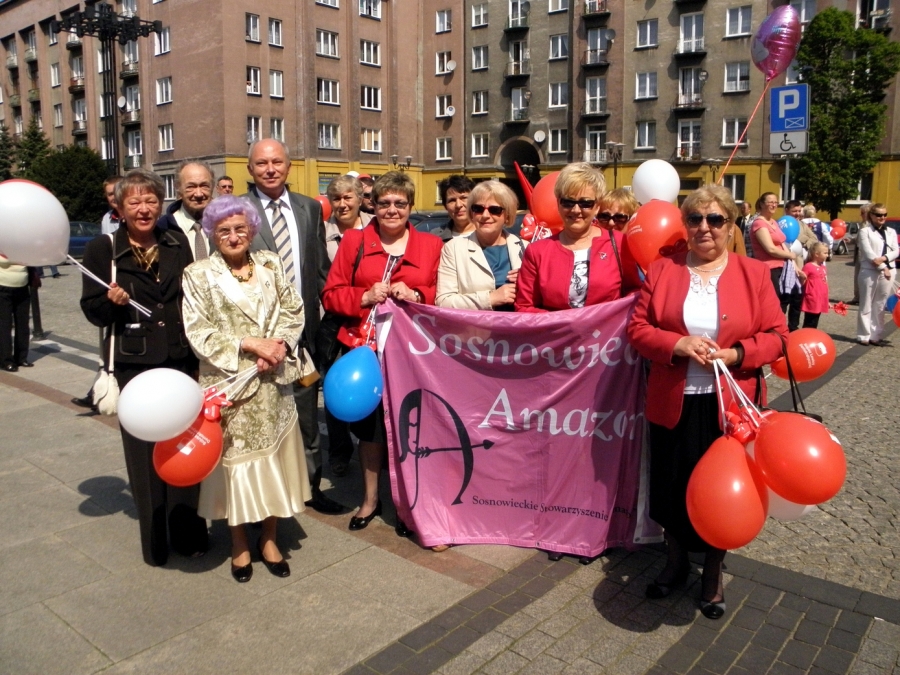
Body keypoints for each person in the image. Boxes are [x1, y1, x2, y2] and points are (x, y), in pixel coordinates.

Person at [627, 185, 787, 620]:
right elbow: (638, 329)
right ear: (685, 224)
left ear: (731, 226)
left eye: (715, 219)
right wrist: (677, 344)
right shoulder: (663, 270)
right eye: (695, 219)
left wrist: (737, 354)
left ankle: (713, 572)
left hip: (729, 408)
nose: (704, 228)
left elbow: (779, 337)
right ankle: (675, 561)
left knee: (722, 493)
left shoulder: (753, 274)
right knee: (672, 487)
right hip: (673, 401)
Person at [80, 169, 207, 567]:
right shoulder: (104, 249)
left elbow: (193, 296)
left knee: (185, 448)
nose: (144, 208)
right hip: (135, 367)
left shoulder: (175, 241)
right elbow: (92, 310)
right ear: (118, 208)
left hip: (180, 361)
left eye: (151, 200)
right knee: (143, 456)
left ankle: (188, 533)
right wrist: (110, 302)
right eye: (133, 201)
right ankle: (155, 542)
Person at [182, 195, 312, 582]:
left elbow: (294, 309)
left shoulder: (270, 263)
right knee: (234, 469)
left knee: (274, 463)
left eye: (240, 228)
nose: (233, 236)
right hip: (230, 387)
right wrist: (251, 344)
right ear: (212, 234)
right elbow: (198, 332)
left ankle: (269, 538)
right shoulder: (198, 274)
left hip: (273, 382)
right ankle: (238, 543)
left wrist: (280, 346)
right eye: (223, 230)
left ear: (252, 230)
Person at [321, 171, 442, 536]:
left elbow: (440, 293)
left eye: (400, 203)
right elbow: (331, 294)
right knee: (371, 432)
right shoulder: (354, 240)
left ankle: (409, 503)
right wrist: (363, 296)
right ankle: (371, 499)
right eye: (384, 202)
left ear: (410, 206)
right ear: (372, 205)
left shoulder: (431, 245)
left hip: (411, 354)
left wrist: (417, 294)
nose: (392, 210)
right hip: (364, 352)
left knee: (411, 427)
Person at [244, 139, 343, 514]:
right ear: (251, 169)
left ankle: (310, 488)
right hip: (259, 340)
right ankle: (264, 495)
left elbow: (319, 270)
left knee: (306, 419)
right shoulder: (239, 209)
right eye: (261, 163)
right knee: (261, 420)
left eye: (277, 162)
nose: (270, 169)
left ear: (288, 166)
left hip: (303, 341)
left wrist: (333, 319)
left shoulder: (309, 208)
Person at [515, 162, 640, 313]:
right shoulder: (537, 252)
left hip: (607, 328)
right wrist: (563, 321)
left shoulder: (620, 244)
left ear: (597, 206)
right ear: (558, 203)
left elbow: (634, 293)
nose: (575, 210)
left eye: (585, 203)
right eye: (568, 202)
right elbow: (524, 307)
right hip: (555, 328)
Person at [322, 174, 373, 478]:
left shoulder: (375, 227)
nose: (342, 204)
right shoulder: (320, 233)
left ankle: (375, 449)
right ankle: (340, 451)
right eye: (336, 198)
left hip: (369, 319)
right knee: (335, 384)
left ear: (359, 199)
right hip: (332, 319)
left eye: (348, 197)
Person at [436, 180, 526, 311]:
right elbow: (443, 301)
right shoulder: (453, 248)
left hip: (518, 323)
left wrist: (527, 283)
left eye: (494, 210)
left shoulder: (526, 248)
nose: (485, 215)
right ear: (471, 213)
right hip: (475, 324)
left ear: (507, 215)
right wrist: (490, 298)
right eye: (478, 209)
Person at [75, 175, 123, 409]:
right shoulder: (107, 218)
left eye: (116, 192)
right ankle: (100, 390)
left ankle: (99, 391)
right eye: (109, 194)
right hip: (109, 289)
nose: (113, 197)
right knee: (108, 343)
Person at [749, 193, 803, 330]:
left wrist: (795, 266)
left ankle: (791, 329)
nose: (774, 205)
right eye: (770, 202)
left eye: (776, 202)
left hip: (784, 266)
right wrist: (791, 254)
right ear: (762, 204)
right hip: (770, 268)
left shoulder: (773, 222)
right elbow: (770, 249)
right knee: (777, 302)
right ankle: (773, 329)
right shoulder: (759, 223)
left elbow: (783, 243)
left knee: (796, 295)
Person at [856, 203, 898, 346]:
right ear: (872, 215)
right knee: (866, 302)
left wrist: (885, 259)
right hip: (869, 270)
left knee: (880, 303)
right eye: (879, 215)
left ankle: (876, 334)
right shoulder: (865, 231)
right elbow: (868, 252)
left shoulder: (891, 231)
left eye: (884, 215)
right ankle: (863, 334)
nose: (882, 217)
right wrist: (882, 266)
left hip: (889, 269)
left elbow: (896, 250)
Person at [157, 160, 215, 261]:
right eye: (191, 187)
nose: (198, 194)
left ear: (212, 187)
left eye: (204, 186)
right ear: (178, 188)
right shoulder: (163, 229)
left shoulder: (224, 224)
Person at [0, 258, 32, 371]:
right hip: (2, 286)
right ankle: (6, 360)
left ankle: (21, 357)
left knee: (23, 323)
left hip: (22, 286)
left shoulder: (22, 248)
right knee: (4, 324)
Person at [433, 175, 476, 242]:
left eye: (464, 198)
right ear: (445, 206)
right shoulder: (435, 237)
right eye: (452, 200)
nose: (458, 205)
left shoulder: (488, 234)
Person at [801, 242, 830, 329]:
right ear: (817, 254)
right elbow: (802, 282)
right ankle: (806, 335)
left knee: (815, 320)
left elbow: (825, 282)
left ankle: (812, 333)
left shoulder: (823, 267)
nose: (827, 255)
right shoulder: (808, 266)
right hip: (813, 298)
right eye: (825, 253)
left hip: (820, 297)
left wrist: (827, 300)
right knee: (810, 321)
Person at [850, 203, 870, 305]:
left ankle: (864, 298)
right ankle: (857, 297)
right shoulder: (862, 224)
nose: (861, 215)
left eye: (863, 213)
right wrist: (851, 240)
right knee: (857, 276)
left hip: (867, 255)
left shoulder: (871, 225)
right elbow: (859, 239)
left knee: (864, 277)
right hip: (859, 253)